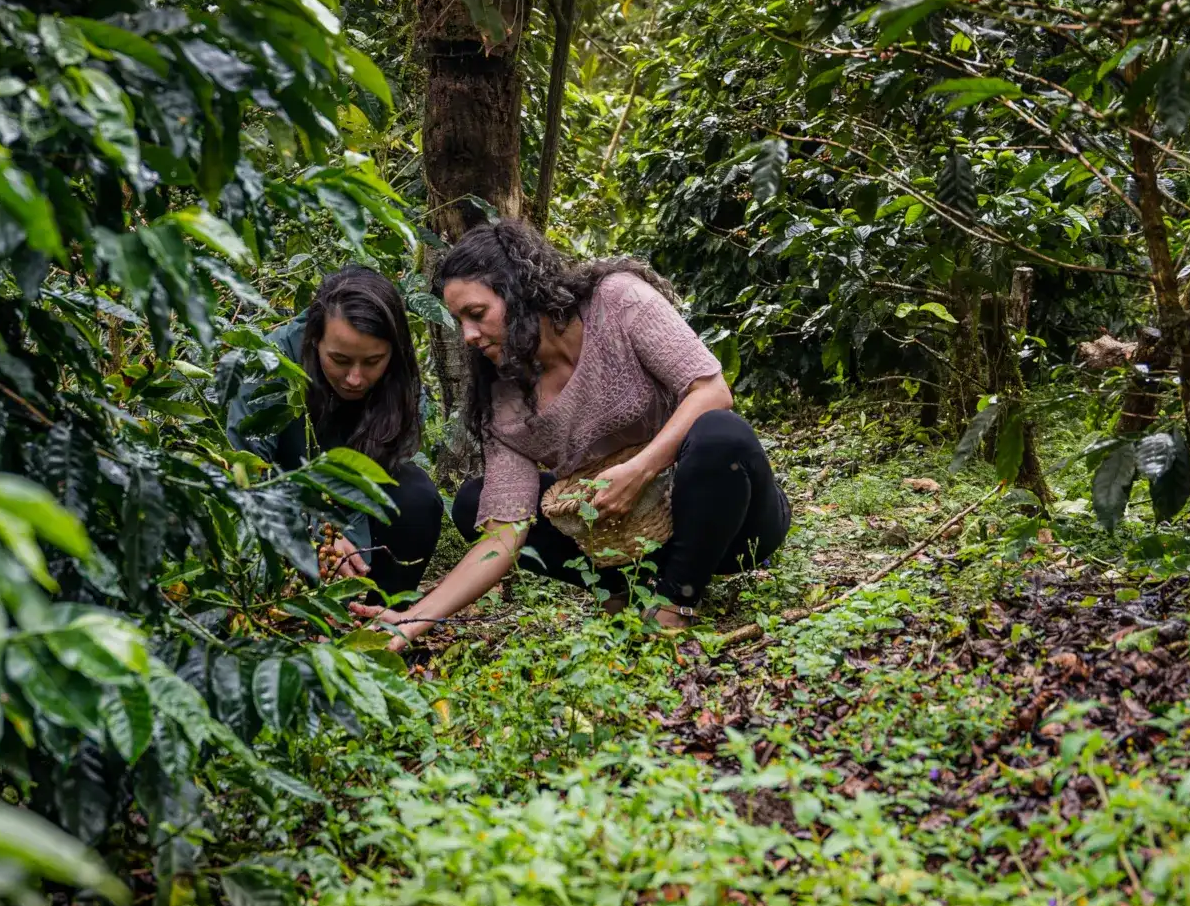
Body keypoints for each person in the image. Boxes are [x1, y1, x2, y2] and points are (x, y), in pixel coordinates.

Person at [351, 220, 790, 647]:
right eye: (459, 320)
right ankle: (626, 587)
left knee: (720, 433)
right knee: (473, 504)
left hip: (727, 525)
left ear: (519, 290)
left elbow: (712, 390)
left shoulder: (617, 301)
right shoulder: (502, 396)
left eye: (477, 313)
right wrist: (414, 618)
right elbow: (506, 532)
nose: (467, 335)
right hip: (626, 540)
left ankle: (676, 600)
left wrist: (639, 470)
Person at [224, 266, 444, 602]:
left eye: (372, 361)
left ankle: (379, 616)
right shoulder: (268, 365)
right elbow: (248, 478)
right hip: (284, 511)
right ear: (315, 339)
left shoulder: (400, 381)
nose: (355, 379)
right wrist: (314, 536)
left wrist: (340, 535)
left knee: (415, 496)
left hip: (350, 504)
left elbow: (379, 470)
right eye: (340, 360)